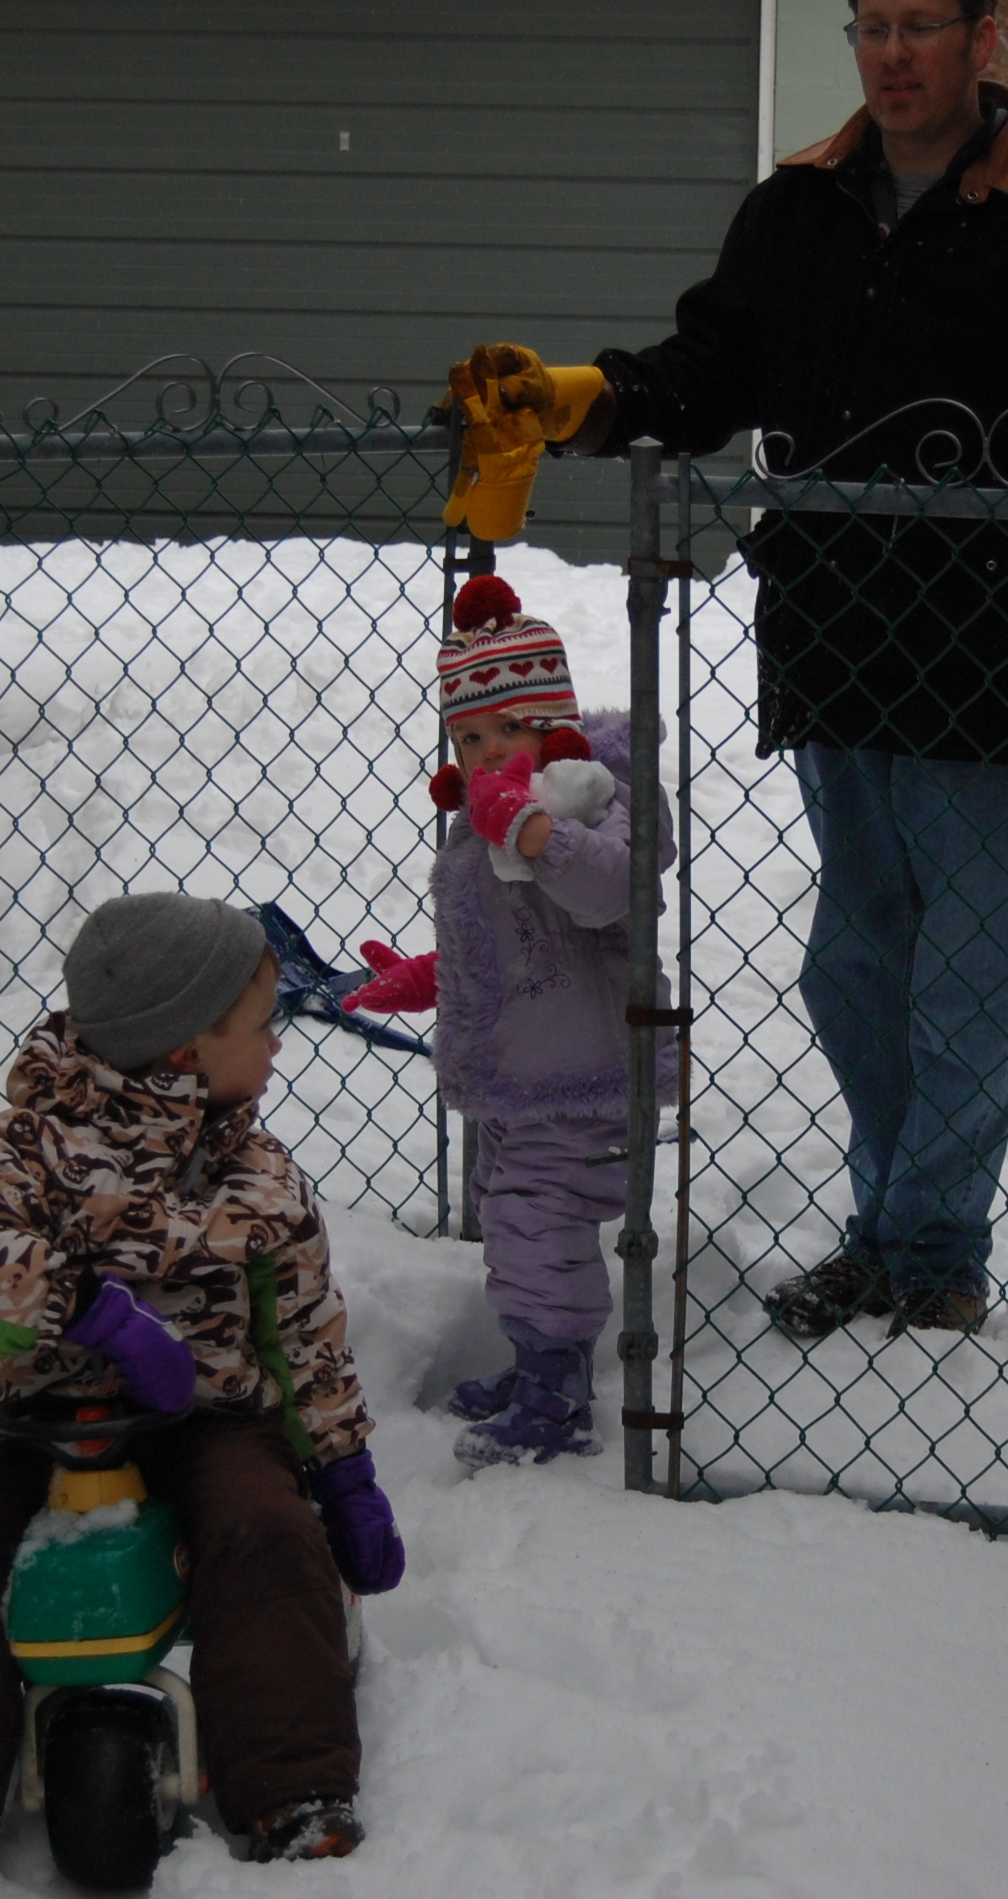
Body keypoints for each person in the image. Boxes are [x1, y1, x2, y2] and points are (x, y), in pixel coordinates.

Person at [454, 0, 1008, 1338]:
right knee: (854, 969)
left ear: (981, 39)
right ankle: (891, 1225)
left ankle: (930, 1251)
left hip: (1000, 667)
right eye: (873, 29)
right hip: (842, 651)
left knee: (962, 979)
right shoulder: (796, 212)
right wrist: (582, 400)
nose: (893, 54)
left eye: (921, 27)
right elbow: (712, 368)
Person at [0, 893, 406, 1899]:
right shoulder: (26, 1148)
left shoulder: (257, 1176)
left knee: (265, 1529)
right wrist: (95, 1313)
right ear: (185, 1048)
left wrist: (343, 1472)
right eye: (260, 1022)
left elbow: (305, 1336)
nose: (277, 1041)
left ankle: (295, 1788)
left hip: (207, 1420)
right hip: (30, 1427)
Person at [339, 572, 669, 1465]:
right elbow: (510, 944)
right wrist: (427, 977)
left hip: (585, 1070)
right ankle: (536, 1366)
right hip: (522, 1072)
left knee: (538, 1222)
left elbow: (613, 892)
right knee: (511, 1215)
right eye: (469, 737)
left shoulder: (599, 796)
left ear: (552, 723)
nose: (487, 752)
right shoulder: (488, 817)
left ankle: (557, 1399)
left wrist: (530, 830)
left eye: (506, 730)